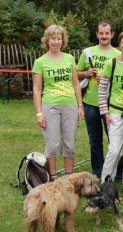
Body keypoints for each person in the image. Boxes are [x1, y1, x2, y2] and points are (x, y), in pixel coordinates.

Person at [33, 24, 84, 180]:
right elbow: (36, 89)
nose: (56, 42)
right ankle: (53, 176)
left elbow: (76, 84)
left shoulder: (69, 59)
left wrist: (80, 106)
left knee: (69, 143)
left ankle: (69, 177)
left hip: (70, 105)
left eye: (59, 39)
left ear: (63, 41)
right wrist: (39, 113)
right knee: (53, 144)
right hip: (50, 107)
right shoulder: (40, 62)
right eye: (52, 39)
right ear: (47, 41)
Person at [76, 20, 121, 177]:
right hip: (91, 103)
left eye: (107, 33)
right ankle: (98, 170)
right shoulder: (88, 52)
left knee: (114, 140)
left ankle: (118, 171)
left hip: (112, 104)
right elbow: (75, 74)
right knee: (95, 140)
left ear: (112, 34)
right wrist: (86, 73)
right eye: (101, 33)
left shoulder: (118, 54)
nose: (104, 36)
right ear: (96, 34)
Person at [98, 31, 123, 197]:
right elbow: (101, 90)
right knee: (114, 150)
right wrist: (105, 112)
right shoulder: (111, 63)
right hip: (114, 113)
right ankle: (105, 183)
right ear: (119, 44)